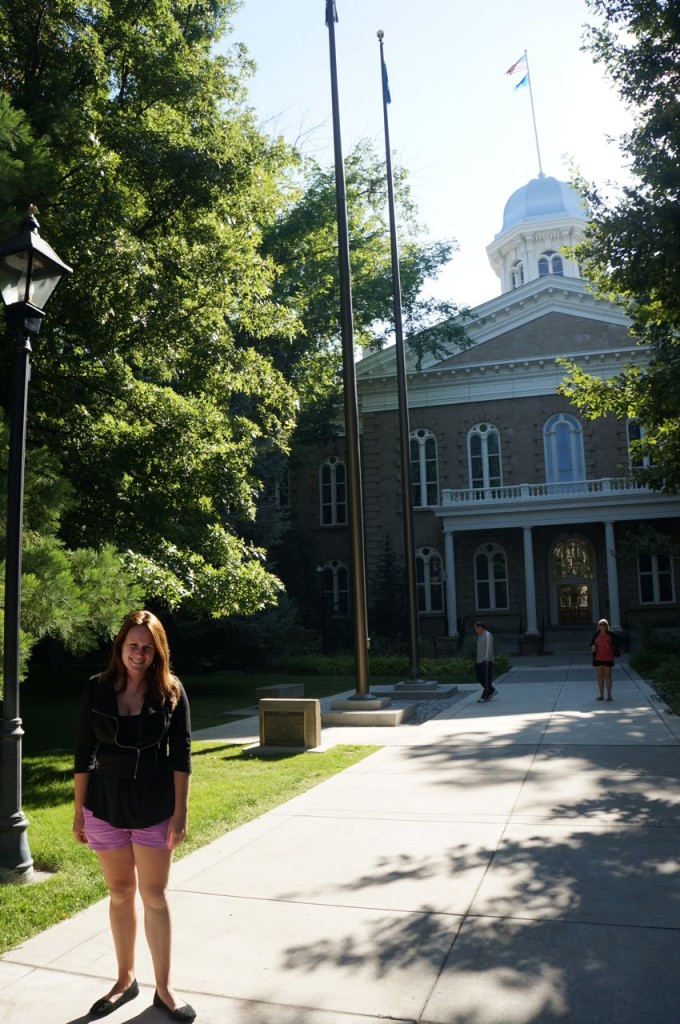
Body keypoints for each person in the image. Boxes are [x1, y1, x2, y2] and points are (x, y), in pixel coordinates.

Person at [73, 610, 196, 1023]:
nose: (138, 653)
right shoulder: (97, 688)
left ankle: (164, 988)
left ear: (157, 650)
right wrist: (79, 813)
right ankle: (124, 979)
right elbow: (83, 754)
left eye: (147, 647)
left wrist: (180, 812)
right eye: (132, 645)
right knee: (120, 893)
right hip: (104, 806)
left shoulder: (171, 691)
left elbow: (181, 755)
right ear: (120, 646)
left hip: (153, 807)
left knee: (154, 896)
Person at [590, 617, 620, 702]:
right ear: (598, 626)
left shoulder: (611, 634)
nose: (602, 626)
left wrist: (614, 647)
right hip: (597, 658)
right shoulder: (595, 635)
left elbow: (621, 640)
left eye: (604, 624)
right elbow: (591, 644)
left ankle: (609, 695)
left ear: (607, 626)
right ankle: (601, 695)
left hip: (608, 658)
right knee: (600, 676)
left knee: (607, 675)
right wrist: (592, 647)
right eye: (600, 624)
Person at [474, 621, 496, 702]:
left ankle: (485, 696)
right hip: (479, 660)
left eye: (476, 628)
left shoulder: (487, 634)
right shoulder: (480, 636)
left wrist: (487, 658)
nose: (475, 630)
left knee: (487, 679)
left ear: (480, 627)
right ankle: (492, 690)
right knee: (479, 677)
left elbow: (489, 647)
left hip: (486, 660)